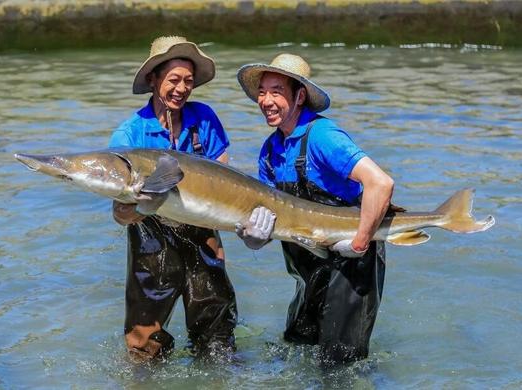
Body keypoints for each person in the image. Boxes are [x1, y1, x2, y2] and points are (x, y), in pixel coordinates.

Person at [235, 53, 394, 365]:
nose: (266, 100)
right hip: (308, 269)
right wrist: (254, 237)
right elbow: (271, 217)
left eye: (276, 91)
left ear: (300, 96)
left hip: (351, 265)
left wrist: (360, 243)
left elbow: (381, 183)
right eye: (262, 92)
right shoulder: (269, 151)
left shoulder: (322, 136)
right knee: (298, 346)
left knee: (339, 366)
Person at [109, 36, 237, 361]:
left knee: (217, 340)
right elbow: (119, 214)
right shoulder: (129, 135)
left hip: (202, 237)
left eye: (189, 81)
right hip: (151, 246)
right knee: (145, 348)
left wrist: (238, 225)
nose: (182, 89)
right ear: (153, 79)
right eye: (174, 80)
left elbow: (225, 179)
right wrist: (135, 208)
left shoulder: (204, 118)